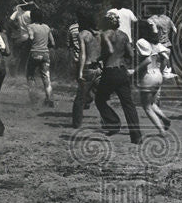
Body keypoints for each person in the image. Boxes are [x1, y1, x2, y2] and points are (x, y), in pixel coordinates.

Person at [94, 13, 141, 144]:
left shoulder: (105, 34)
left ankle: (113, 123)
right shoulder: (124, 35)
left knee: (100, 99)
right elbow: (131, 54)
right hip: (122, 71)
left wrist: (98, 59)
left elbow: (108, 50)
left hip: (110, 71)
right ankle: (136, 136)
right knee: (128, 104)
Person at [135, 24, 172, 135]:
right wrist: (161, 69)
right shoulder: (157, 44)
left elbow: (147, 61)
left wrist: (134, 71)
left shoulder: (141, 42)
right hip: (158, 75)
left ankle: (161, 130)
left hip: (148, 75)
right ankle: (164, 118)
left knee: (146, 107)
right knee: (152, 103)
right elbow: (167, 55)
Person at [72, 16, 102, 129]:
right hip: (99, 68)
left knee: (80, 98)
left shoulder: (83, 35)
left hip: (87, 69)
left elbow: (83, 55)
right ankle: (107, 121)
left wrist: (79, 72)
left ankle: (76, 123)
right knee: (102, 97)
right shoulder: (101, 34)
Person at [26, 7, 56, 107]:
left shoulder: (30, 27)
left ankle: (33, 98)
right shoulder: (47, 27)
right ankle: (49, 98)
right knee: (46, 76)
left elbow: (31, 38)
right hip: (45, 54)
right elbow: (53, 42)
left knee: (30, 75)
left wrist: (28, 44)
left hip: (34, 53)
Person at [8, 2, 34, 77]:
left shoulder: (17, 13)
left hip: (20, 37)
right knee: (25, 57)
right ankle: (21, 73)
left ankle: (12, 72)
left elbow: (10, 21)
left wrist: (15, 28)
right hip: (28, 37)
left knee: (16, 56)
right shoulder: (29, 13)